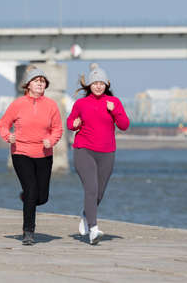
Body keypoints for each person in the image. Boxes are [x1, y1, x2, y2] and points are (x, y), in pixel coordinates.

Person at [0, 66, 63, 246]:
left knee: (42, 197)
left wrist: (51, 140)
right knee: (32, 190)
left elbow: (58, 128)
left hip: (44, 154)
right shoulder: (18, 104)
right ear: (28, 85)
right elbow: (3, 124)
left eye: (43, 81)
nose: (40, 84)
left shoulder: (51, 105)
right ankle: (28, 232)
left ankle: (26, 197)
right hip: (21, 152)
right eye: (37, 81)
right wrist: (7, 136)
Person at [67, 63, 130, 245]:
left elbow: (124, 125)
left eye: (102, 83)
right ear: (89, 85)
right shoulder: (81, 103)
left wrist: (115, 111)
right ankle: (93, 229)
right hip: (84, 150)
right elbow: (70, 122)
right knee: (91, 189)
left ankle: (86, 215)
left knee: (99, 193)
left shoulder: (114, 103)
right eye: (95, 83)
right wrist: (75, 124)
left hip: (107, 152)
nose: (98, 86)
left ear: (107, 84)